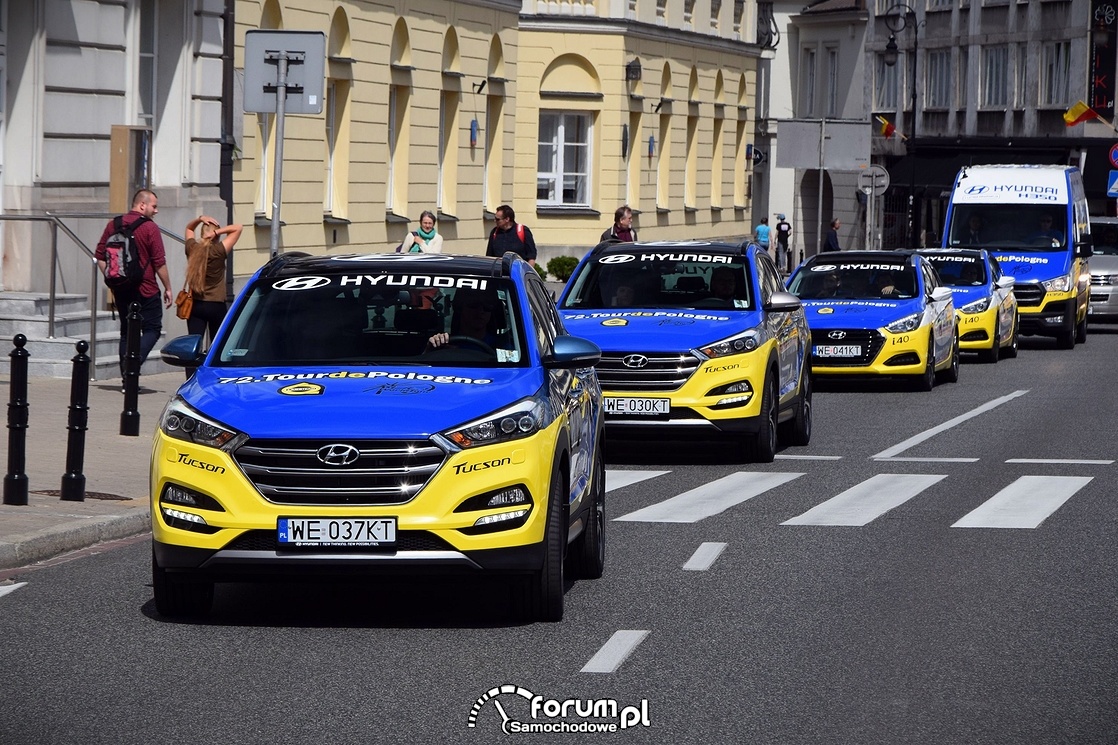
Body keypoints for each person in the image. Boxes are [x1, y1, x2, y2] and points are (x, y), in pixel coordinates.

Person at [95, 189, 173, 387]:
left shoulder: (114, 224)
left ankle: (127, 380)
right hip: (146, 288)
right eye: (154, 206)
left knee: (126, 332)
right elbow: (159, 262)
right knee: (153, 329)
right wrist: (168, 288)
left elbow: (99, 255)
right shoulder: (150, 228)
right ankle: (134, 364)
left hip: (121, 288)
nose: (156, 211)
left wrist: (110, 278)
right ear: (142, 205)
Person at [183, 215, 243, 365]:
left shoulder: (192, 248)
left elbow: (189, 228)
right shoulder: (219, 250)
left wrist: (199, 219)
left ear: (202, 233)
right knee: (217, 347)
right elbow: (238, 228)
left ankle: (191, 378)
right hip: (216, 304)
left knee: (193, 347)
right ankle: (214, 376)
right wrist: (217, 232)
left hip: (196, 305)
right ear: (215, 234)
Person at [427, 288, 502, 352]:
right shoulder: (444, 343)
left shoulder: (503, 346)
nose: (480, 311)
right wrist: (432, 348)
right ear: (460, 307)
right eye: (474, 304)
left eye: (487, 306)